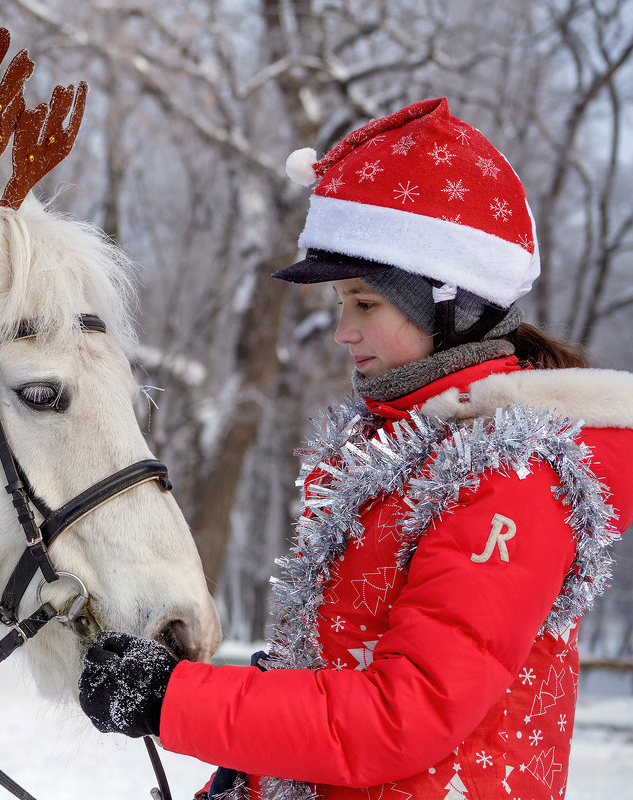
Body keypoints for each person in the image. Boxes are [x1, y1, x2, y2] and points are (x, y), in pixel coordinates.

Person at [78, 97, 633, 800]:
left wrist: (175, 700)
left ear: (452, 303)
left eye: (364, 303)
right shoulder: (400, 451)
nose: (343, 329)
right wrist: (245, 780)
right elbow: (333, 681)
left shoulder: (512, 475)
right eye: (341, 302)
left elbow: (403, 716)